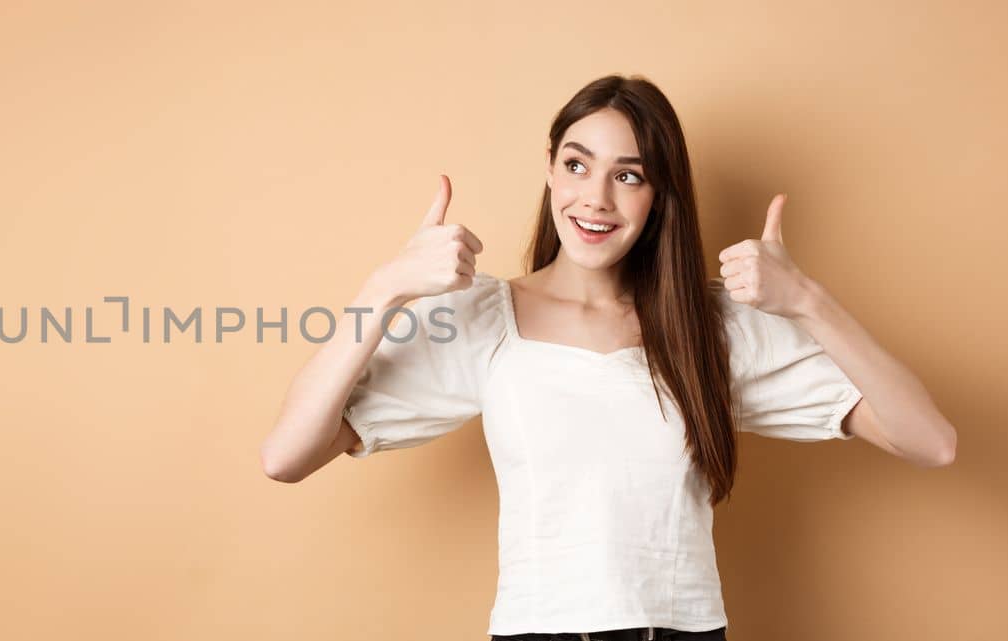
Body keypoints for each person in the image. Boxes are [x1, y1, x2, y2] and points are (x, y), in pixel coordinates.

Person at [258, 74, 958, 641]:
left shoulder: (707, 327)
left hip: (687, 630)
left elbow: (932, 441)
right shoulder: (487, 320)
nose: (595, 198)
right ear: (551, 171)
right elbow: (286, 455)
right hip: (540, 631)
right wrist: (385, 288)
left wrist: (808, 300)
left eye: (629, 176)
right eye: (577, 164)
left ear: (659, 197)